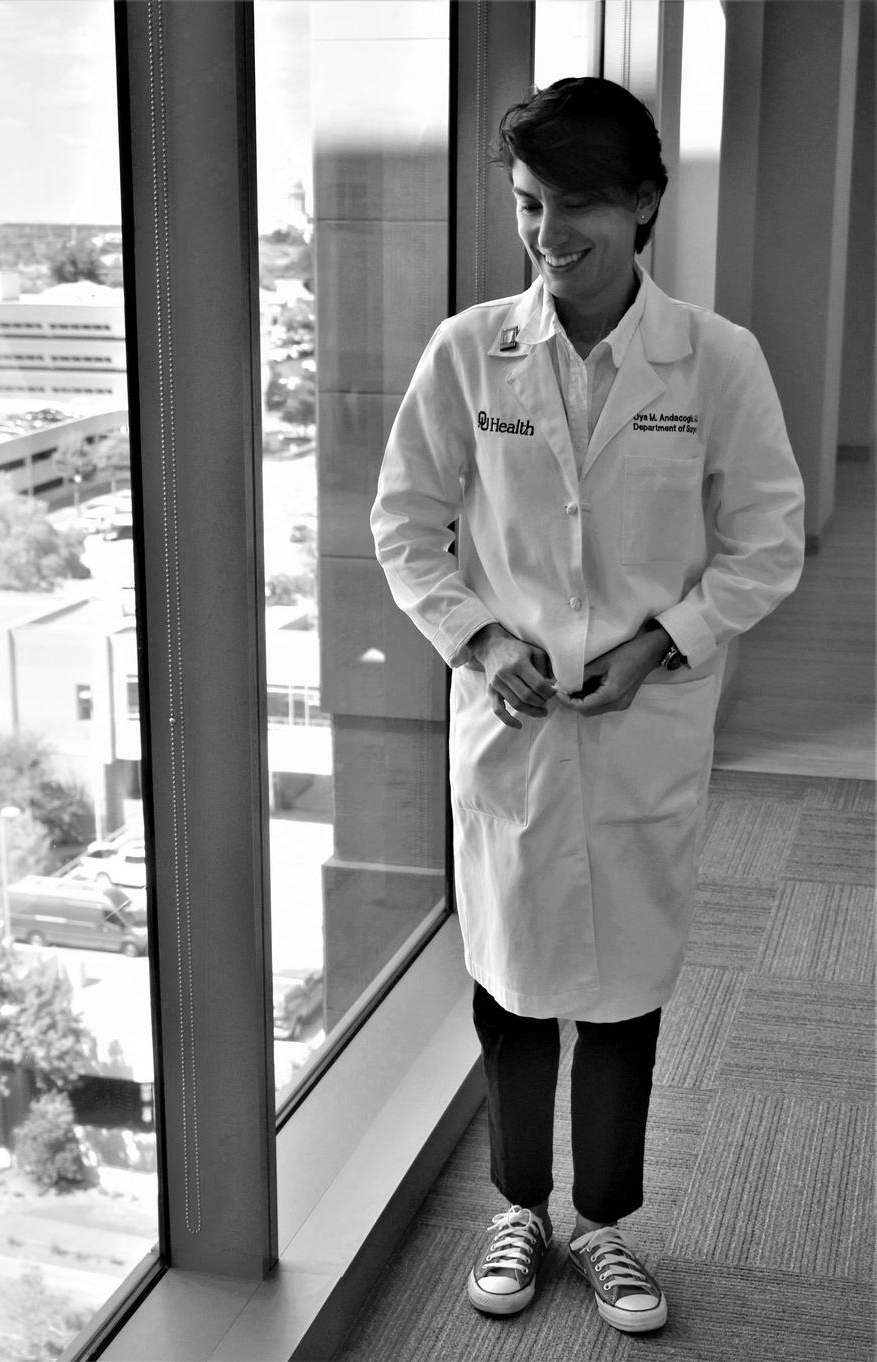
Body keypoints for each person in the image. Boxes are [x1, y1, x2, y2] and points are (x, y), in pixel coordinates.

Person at [370, 76, 804, 1335]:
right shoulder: (469, 352)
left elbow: (765, 542)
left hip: (640, 727)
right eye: (527, 204)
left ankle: (604, 1225)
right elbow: (404, 526)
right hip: (509, 727)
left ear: (642, 204)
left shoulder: (715, 360)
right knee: (510, 987)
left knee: (621, 994)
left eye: (576, 207)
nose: (547, 235)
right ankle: (518, 1209)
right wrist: (475, 636)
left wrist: (664, 643)